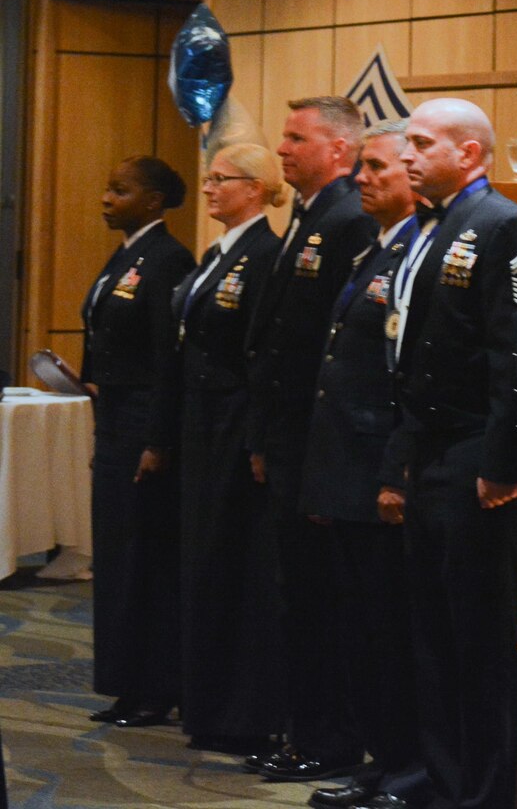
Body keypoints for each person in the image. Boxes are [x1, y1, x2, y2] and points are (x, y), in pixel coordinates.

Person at [382, 98, 517, 809]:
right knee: (433, 637)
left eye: (422, 143)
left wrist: (502, 460)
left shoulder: (505, 226)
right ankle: (441, 782)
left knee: (478, 643)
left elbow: (515, 353)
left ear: (470, 154)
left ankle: (482, 793)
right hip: (431, 451)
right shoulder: (431, 225)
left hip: (478, 457)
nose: (408, 155)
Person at [241, 95, 377, 782]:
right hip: (290, 437)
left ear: (339, 149)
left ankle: (327, 738)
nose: (283, 149)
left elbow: (334, 349)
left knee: (321, 600)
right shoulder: (308, 216)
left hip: (319, 442)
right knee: (295, 594)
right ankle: (303, 728)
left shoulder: (350, 219)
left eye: (297, 138)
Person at [300, 120, 424, 809]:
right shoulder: (378, 249)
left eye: (378, 167)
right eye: (362, 167)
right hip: (345, 470)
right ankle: (383, 764)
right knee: (363, 634)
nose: (361, 178)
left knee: (388, 632)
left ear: (415, 173)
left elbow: (405, 379)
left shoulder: (416, 250)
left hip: (381, 471)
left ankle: (406, 768)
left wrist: (390, 473)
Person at [167, 143, 285, 753]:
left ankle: (241, 711)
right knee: (203, 563)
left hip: (235, 424)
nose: (209, 188)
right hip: (201, 421)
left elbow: (259, 353)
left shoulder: (265, 255)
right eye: (207, 177)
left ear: (259, 188)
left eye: (223, 179)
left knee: (234, 566)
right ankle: (206, 702)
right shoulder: (218, 253)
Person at [83, 156, 195, 729]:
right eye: (108, 187)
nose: (106, 198)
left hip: (144, 430)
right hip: (116, 421)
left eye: (119, 190)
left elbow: (165, 359)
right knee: (116, 560)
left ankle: (154, 687)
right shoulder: (127, 254)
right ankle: (125, 683)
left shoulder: (168, 258)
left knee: (143, 563)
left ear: (153, 201)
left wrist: (158, 439)